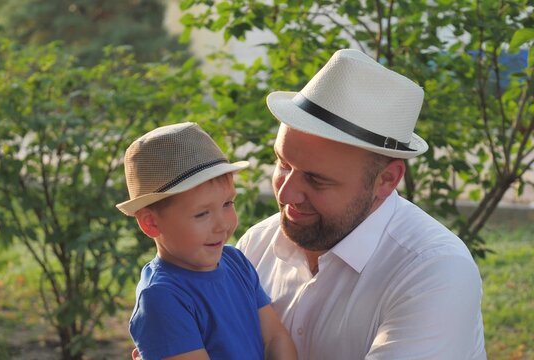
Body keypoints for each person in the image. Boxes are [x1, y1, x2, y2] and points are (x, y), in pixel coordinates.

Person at [236, 48, 487, 359]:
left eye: (316, 180)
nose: (286, 195)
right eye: (283, 164)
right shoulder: (257, 245)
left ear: (386, 180)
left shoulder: (434, 272)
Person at [117, 122, 297, 360]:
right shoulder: (162, 299)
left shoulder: (235, 262)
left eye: (227, 204)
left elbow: (276, 337)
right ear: (151, 223)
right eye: (202, 214)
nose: (223, 224)